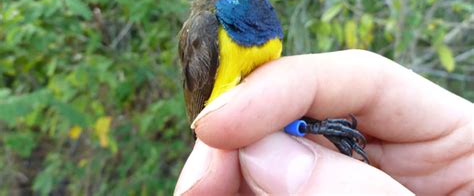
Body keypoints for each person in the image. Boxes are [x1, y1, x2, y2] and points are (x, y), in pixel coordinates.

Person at [174, 50, 473, 195]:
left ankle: (311, 128)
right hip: (230, 128)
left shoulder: (263, 19)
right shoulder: (208, 25)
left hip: (251, 120)